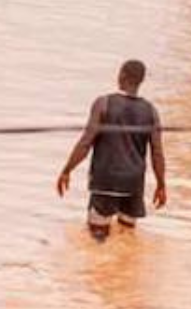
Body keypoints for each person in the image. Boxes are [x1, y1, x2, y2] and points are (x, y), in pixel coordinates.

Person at [56, 59, 167, 240]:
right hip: (134, 184)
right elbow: (157, 153)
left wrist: (67, 170)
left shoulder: (103, 103)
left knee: (97, 239)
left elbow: (86, 142)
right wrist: (161, 185)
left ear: (121, 76)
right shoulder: (151, 111)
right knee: (126, 238)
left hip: (106, 182)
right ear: (141, 81)